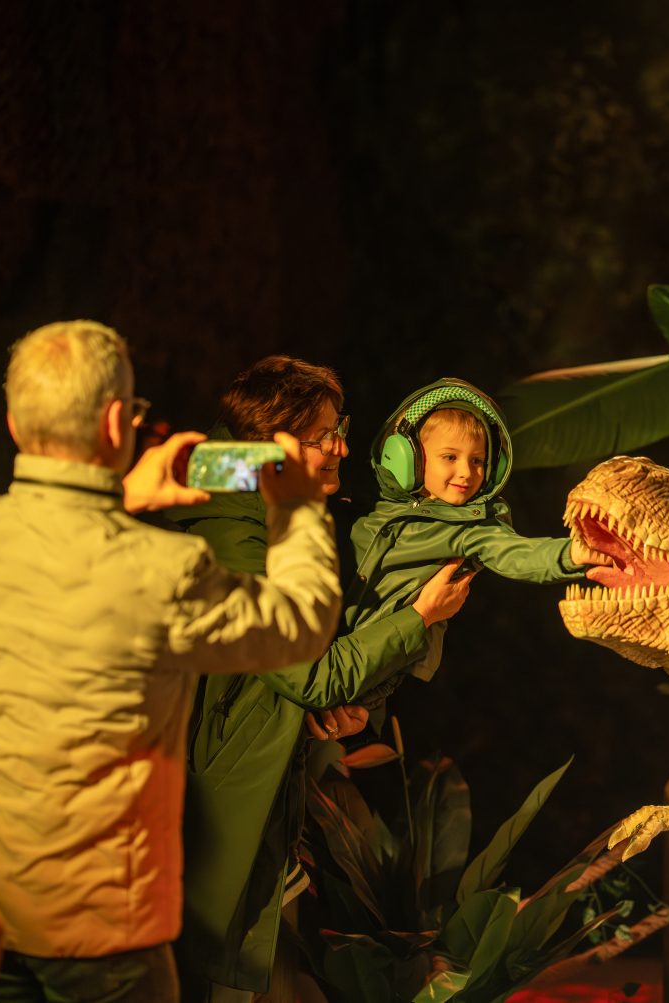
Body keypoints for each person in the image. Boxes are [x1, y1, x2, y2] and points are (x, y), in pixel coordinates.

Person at [0, 321, 343, 1003]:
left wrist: (119, 497)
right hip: (100, 932)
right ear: (118, 421)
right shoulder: (161, 571)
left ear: (13, 422)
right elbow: (302, 623)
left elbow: (50, 545)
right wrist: (294, 505)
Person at [169, 356, 474, 1002]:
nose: (342, 445)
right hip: (222, 823)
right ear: (271, 442)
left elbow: (291, 679)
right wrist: (419, 617)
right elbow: (312, 672)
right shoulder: (233, 528)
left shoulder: (260, 504)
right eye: (323, 435)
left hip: (269, 827)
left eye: (342, 428)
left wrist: (338, 712)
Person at [345, 377, 606, 681]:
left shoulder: (471, 529)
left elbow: (520, 554)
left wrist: (574, 553)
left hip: (373, 677)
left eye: (478, 461)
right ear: (407, 455)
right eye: (450, 457)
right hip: (318, 655)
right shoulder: (362, 507)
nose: (467, 472)